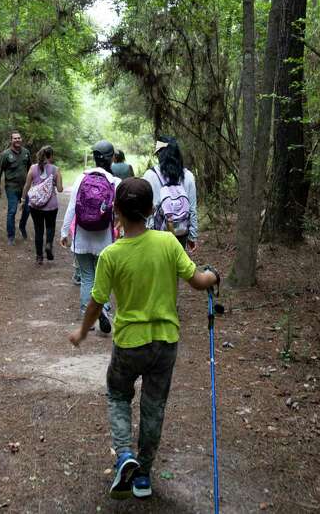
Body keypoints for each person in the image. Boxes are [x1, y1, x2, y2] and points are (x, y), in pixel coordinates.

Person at [68, 177, 219, 500]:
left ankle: (125, 455)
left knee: (119, 396)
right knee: (153, 407)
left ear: (116, 212)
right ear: (152, 210)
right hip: (165, 344)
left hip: (128, 345)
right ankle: (144, 477)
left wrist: (82, 331)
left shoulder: (112, 255)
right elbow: (198, 281)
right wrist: (214, 276)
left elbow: (96, 301)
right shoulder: (167, 243)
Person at [60, 140, 121, 333]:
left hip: (82, 237)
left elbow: (72, 208)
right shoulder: (115, 182)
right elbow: (119, 213)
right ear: (112, 158)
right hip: (104, 239)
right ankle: (102, 308)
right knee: (104, 278)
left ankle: (88, 314)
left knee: (87, 276)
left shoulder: (81, 178)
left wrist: (64, 232)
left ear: (94, 158)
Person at [142, 135, 199, 252]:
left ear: (159, 154)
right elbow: (192, 209)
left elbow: (145, 209)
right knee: (178, 266)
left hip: (156, 234)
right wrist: (192, 236)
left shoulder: (149, 175)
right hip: (181, 231)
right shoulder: (188, 176)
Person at [22, 145, 63, 264]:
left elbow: (27, 185)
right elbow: (60, 189)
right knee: (50, 227)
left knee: (38, 229)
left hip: (35, 205)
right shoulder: (55, 169)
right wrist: (56, 182)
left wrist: (23, 199)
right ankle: (49, 244)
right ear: (51, 156)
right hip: (51, 205)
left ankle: (39, 256)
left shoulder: (33, 168)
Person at [0, 131, 31, 245]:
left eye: (19, 138)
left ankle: (22, 226)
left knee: (28, 210)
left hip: (25, 188)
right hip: (11, 188)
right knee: (12, 211)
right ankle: (11, 236)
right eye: (15, 138)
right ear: (11, 140)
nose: (17, 140)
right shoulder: (5, 154)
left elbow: (30, 169)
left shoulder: (26, 153)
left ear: (21, 139)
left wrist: (34, 183)